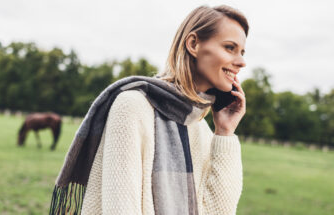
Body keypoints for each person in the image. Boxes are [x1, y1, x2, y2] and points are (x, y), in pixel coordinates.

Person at [49, 4, 248, 215]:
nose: (242, 62)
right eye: (230, 48)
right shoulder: (132, 107)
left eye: (243, 52)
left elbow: (218, 212)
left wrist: (225, 132)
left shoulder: (200, 129)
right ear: (193, 44)